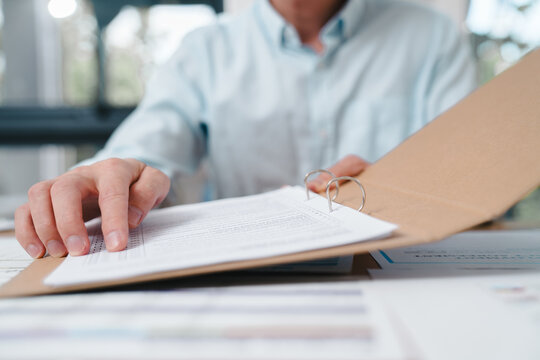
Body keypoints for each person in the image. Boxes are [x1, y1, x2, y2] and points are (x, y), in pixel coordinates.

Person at [15, 0, 477, 259]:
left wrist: (407, 185)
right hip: (249, 279)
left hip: (403, 269)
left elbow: (469, 174)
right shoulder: (205, 51)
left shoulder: (433, 37)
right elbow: (146, 150)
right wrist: (105, 178)